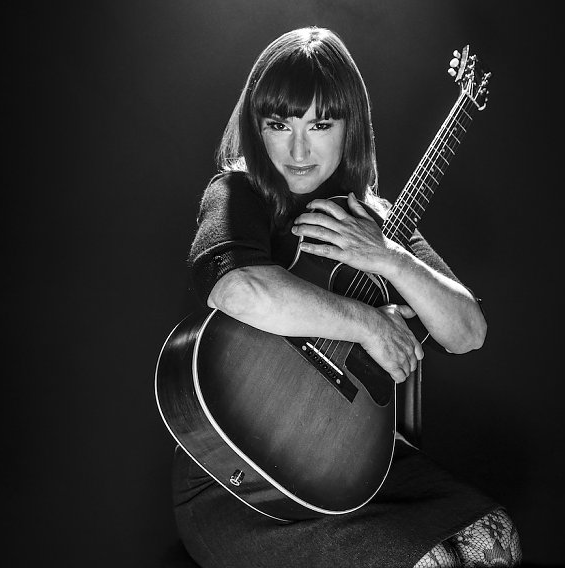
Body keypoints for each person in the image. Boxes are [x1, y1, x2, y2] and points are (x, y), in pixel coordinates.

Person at [172, 26, 522, 568]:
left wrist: (386, 256)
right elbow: (239, 287)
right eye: (278, 124)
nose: (298, 149)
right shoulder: (240, 193)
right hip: (237, 477)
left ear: (349, 125)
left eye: (320, 124)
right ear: (256, 127)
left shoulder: (376, 225)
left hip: (351, 472)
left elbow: (467, 331)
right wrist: (367, 323)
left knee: (492, 539)